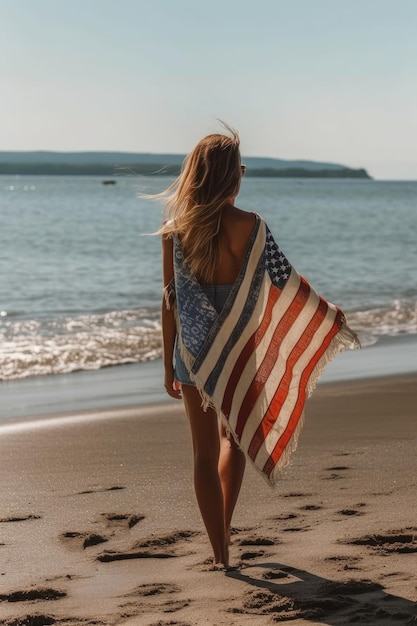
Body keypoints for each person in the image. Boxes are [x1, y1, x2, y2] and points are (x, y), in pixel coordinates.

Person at [158, 123, 358, 570]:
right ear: (230, 176)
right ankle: (224, 531)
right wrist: (326, 316)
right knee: (235, 442)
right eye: (241, 169)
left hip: (191, 356)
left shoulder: (175, 230)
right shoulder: (253, 226)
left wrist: (166, 363)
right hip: (238, 355)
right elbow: (285, 283)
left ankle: (220, 554)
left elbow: (170, 300)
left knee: (202, 455)